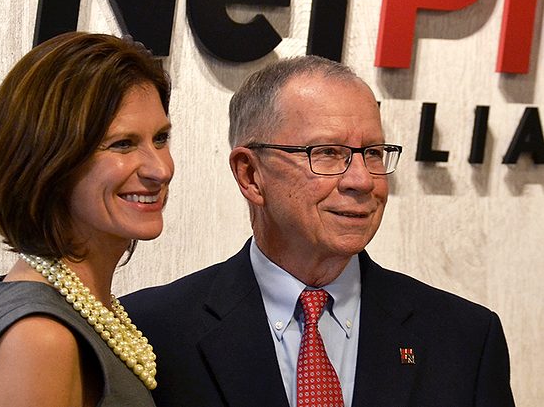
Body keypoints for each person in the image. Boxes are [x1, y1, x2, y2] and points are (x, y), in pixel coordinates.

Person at [122, 55, 515, 407]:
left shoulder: (464, 338)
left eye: (373, 153)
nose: (363, 180)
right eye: (327, 153)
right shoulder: (150, 332)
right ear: (251, 175)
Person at [0, 32, 174, 407]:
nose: (160, 169)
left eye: (161, 138)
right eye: (123, 144)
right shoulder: (40, 337)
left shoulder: (71, 311)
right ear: (49, 161)